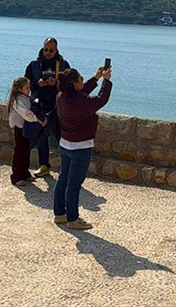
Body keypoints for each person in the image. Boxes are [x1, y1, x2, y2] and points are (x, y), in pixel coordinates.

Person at [54, 66, 112, 230]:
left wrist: (96, 78)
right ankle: (73, 219)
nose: (82, 80)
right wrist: (106, 81)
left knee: (63, 179)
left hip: (65, 144)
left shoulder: (61, 96)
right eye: (80, 79)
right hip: (81, 148)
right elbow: (101, 100)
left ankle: (60, 214)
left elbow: (79, 92)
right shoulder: (80, 102)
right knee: (74, 184)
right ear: (73, 83)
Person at [24, 37, 71, 178]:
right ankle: (43, 165)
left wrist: (56, 83)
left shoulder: (63, 64)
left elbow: (70, 85)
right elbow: (25, 85)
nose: (48, 52)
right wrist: (38, 83)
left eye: (51, 50)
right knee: (40, 138)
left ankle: (66, 168)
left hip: (57, 107)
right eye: (45, 49)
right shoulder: (33, 65)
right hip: (39, 106)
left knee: (61, 138)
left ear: (56, 49)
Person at [7, 77, 47, 186]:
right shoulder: (17, 101)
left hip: (25, 128)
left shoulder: (25, 98)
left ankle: (25, 173)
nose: (29, 89)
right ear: (19, 89)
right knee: (19, 152)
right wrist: (38, 120)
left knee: (26, 150)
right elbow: (27, 114)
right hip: (19, 128)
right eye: (26, 88)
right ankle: (16, 176)